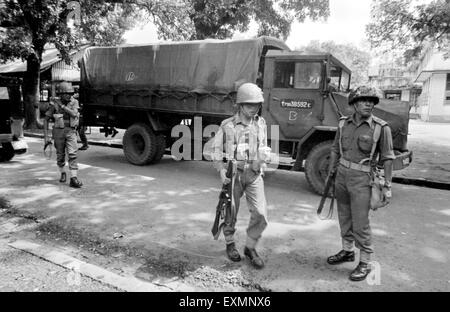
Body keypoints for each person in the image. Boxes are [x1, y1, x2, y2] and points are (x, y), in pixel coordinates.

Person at [327, 85, 394, 281]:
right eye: (364, 100)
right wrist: (332, 170)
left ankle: (365, 261)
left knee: (361, 223)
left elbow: (388, 158)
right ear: (354, 104)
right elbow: (335, 149)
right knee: (344, 217)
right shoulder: (342, 124)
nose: (369, 104)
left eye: (372, 101)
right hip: (341, 176)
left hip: (362, 180)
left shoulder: (381, 128)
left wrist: (387, 187)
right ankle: (347, 251)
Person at [212, 82, 271, 269]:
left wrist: (263, 157)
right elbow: (215, 150)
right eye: (249, 105)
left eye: (257, 105)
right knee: (230, 212)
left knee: (261, 214)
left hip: (254, 174)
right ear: (240, 105)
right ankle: (230, 243)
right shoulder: (228, 125)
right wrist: (221, 170)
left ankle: (250, 248)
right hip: (234, 174)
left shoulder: (261, 123)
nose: (254, 109)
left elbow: (263, 146)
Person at [43, 81, 83, 188]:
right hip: (58, 132)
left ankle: (73, 178)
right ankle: (63, 173)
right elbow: (46, 120)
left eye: (70, 93)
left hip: (71, 132)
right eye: (66, 93)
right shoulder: (54, 104)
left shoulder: (74, 102)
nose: (69, 96)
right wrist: (46, 137)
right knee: (60, 155)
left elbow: (74, 114)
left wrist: (63, 106)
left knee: (73, 154)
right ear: (60, 94)